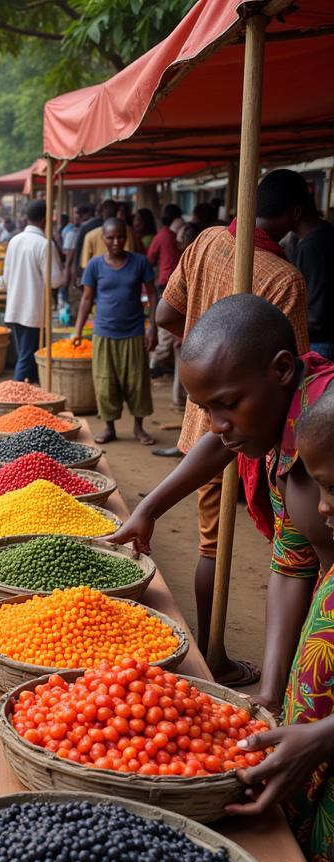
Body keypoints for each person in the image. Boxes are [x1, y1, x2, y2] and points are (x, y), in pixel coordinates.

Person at [113, 295, 334, 727]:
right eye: (205, 410)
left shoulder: (323, 431)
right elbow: (292, 565)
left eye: (229, 405)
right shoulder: (281, 434)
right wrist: (270, 694)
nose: (216, 424)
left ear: (283, 370)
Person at [143, 168, 311, 684]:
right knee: (220, 543)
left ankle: (216, 656)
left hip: (228, 404)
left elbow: (167, 313)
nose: (219, 426)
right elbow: (293, 562)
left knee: (211, 542)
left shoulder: (206, 242)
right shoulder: (283, 280)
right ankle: (218, 657)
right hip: (237, 403)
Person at [227, 386, 334, 862]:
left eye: (333, 488)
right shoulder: (289, 461)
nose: (323, 506)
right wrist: (276, 695)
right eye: (317, 487)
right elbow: (293, 563)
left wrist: (324, 737)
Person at [74, 217, 158, 446]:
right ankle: (109, 427)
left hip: (133, 332)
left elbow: (152, 295)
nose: (116, 242)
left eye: (121, 237)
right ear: (103, 238)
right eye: (110, 237)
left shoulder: (140, 262)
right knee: (105, 384)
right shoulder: (94, 265)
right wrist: (78, 330)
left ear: (127, 237)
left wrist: (153, 328)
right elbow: (87, 298)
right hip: (104, 333)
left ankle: (139, 428)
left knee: (136, 383)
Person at [3, 199, 65, 384]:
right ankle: (15, 399)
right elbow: (55, 281)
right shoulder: (44, 244)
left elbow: (6, 278)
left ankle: (29, 396)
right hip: (33, 309)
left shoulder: (15, 240)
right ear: (46, 218)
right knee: (27, 357)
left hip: (15, 306)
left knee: (27, 355)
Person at [283, 175, 334, 361]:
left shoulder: (312, 246)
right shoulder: (324, 233)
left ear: (296, 212)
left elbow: (316, 315)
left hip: (319, 343)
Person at [147, 204, 184, 377]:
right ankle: (155, 364)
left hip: (168, 282)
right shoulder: (165, 236)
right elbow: (150, 258)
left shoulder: (164, 235)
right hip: (167, 284)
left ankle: (159, 362)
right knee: (165, 332)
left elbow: (151, 258)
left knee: (167, 330)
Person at [79, 200, 138, 272]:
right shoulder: (128, 231)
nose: (115, 242)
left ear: (100, 213)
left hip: (99, 276)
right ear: (118, 212)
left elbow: (85, 265)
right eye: (110, 238)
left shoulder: (90, 235)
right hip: (124, 273)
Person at [72, 202, 105, 288]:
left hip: (89, 268)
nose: (78, 217)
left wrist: (76, 271)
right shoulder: (119, 226)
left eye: (79, 214)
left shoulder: (86, 227)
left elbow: (78, 250)